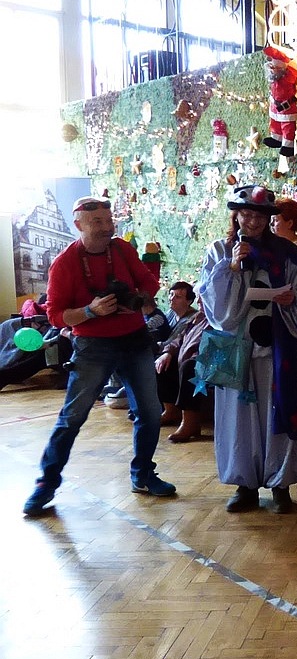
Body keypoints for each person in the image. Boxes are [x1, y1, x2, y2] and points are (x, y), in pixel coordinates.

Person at [23, 195, 176, 517]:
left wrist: (139, 298)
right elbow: (55, 316)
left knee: (150, 413)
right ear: (78, 225)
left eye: (109, 221)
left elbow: (147, 281)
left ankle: (143, 475)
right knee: (73, 417)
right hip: (93, 345)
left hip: (134, 340)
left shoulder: (122, 249)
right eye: (98, 222)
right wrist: (91, 311)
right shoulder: (65, 263)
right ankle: (46, 484)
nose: (107, 228)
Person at [197, 184, 297, 514]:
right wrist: (231, 268)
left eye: (260, 216)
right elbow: (215, 306)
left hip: (275, 349)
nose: (253, 222)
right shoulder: (220, 250)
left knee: (277, 411)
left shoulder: (286, 252)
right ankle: (244, 485)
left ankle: (281, 484)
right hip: (236, 349)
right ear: (236, 215)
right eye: (246, 214)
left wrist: (291, 300)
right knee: (239, 418)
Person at [154, 300, 208, 442]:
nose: (198, 302)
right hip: (185, 359)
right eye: (198, 298)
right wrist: (168, 352)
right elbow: (178, 339)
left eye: (203, 298)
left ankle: (190, 422)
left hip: (205, 362)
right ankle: (170, 411)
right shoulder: (196, 318)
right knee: (163, 362)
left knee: (189, 368)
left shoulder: (216, 320)